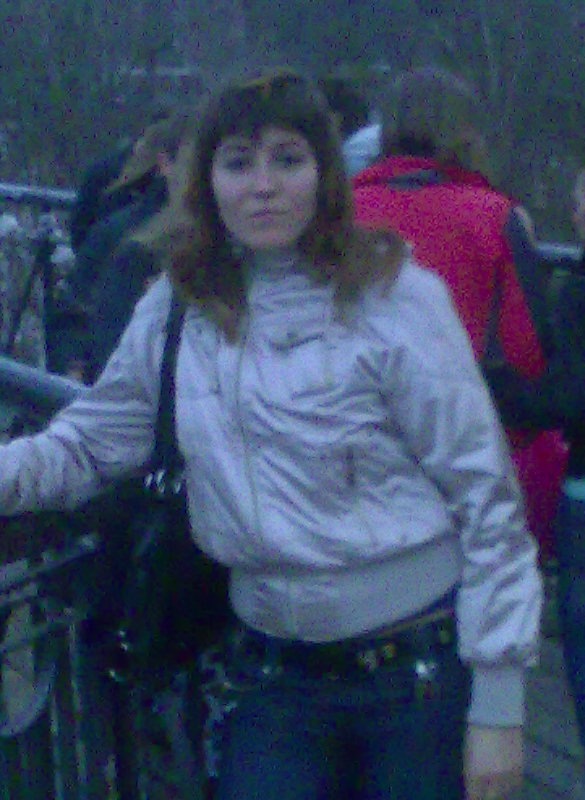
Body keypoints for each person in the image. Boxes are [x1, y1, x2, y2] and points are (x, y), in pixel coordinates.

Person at [0, 68, 541, 800]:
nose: (263, 186)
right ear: (207, 181)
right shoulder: (180, 309)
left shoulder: (395, 299)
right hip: (271, 679)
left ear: (324, 172)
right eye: (238, 162)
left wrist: (499, 705)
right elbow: (91, 442)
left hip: (413, 681)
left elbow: (486, 496)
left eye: (288, 159)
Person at [352, 66, 568, 566]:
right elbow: (527, 352)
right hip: (467, 454)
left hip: (359, 452)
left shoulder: (339, 215)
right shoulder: (494, 217)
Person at [486, 152, 585, 795]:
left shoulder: (584, 291)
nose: (575, 209)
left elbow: (566, 400)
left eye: (583, 196)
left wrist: (500, 384)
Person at [47, 109, 196, 382]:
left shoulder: (236, 244)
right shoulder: (114, 235)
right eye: (194, 164)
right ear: (165, 164)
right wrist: (74, 371)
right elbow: (71, 312)